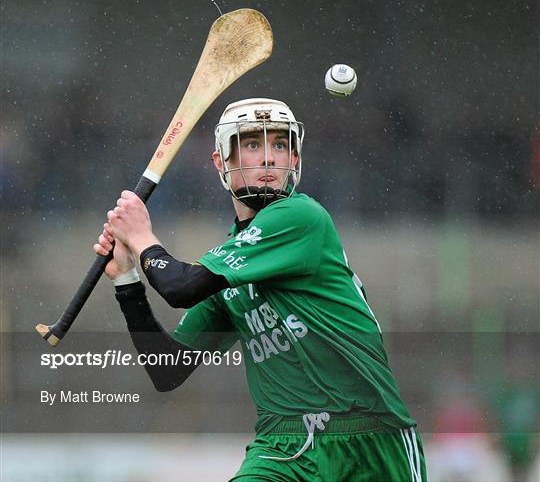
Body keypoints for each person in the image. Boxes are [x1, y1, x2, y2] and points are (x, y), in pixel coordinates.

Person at [94, 98, 427, 481]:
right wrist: (125, 279)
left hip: (369, 441)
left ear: (295, 159)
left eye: (280, 145)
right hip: (283, 449)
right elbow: (168, 370)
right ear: (221, 162)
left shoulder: (301, 218)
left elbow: (180, 287)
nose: (269, 158)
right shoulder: (227, 270)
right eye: (253, 145)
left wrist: (140, 236)